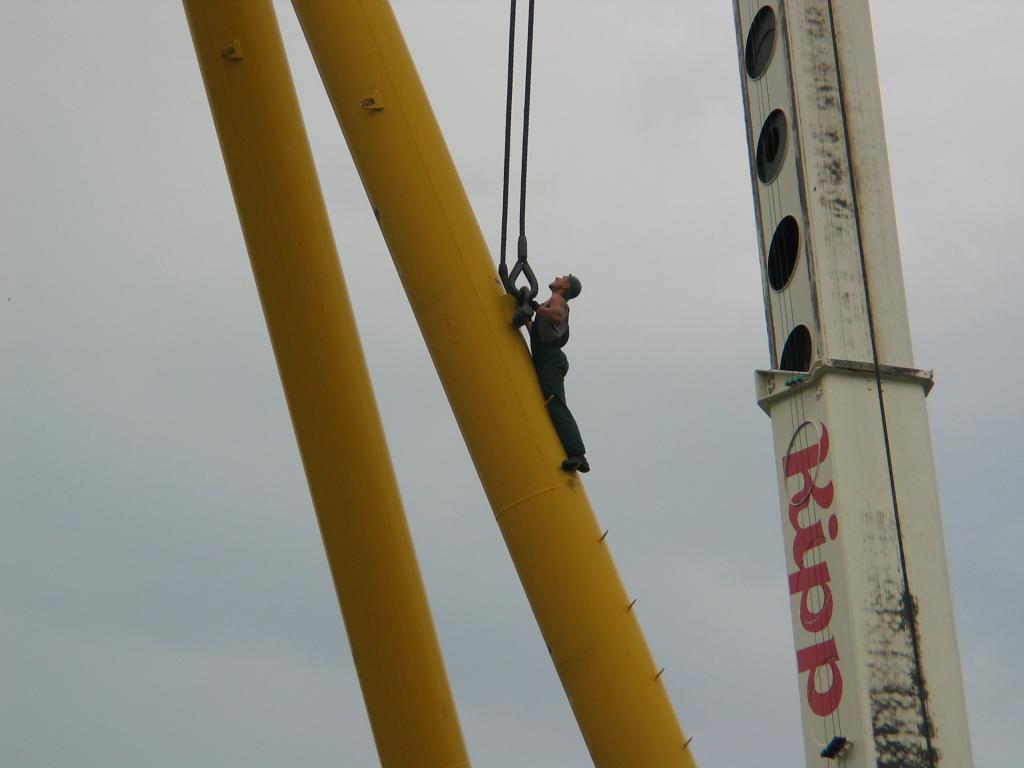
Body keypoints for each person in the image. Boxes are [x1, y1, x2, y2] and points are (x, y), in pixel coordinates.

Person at [524, 274, 589, 473]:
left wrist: (536, 308)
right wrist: (527, 316)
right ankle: (575, 452)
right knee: (553, 403)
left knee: (555, 403)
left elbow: (557, 316)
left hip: (551, 361)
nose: (556, 277)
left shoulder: (557, 300)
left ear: (565, 286)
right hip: (548, 359)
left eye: (561, 277)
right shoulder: (551, 303)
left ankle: (578, 454)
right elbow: (538, 331)